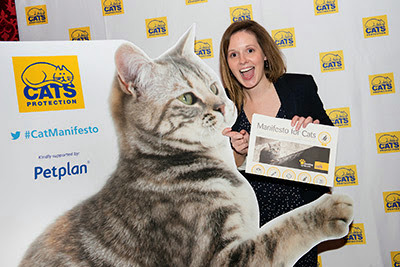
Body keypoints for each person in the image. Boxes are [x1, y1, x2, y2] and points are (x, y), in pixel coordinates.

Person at [220, 20, 333, 266]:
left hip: (297, 217)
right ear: (227, 64)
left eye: (250, 50)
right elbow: (223, 170)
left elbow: (327, 149)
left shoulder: (298, 88)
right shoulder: (226, 106)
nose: (243, 61)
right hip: (250, 223)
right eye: (233, 54)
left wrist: (312, 131)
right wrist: (238, 152)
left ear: (264, 55)